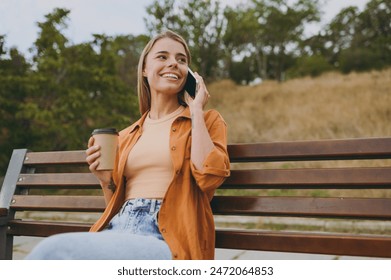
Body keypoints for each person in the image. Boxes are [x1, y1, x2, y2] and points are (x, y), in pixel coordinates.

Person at [25, 30, 230, 260]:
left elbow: (209, 178)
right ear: (144, 69)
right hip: (119, 227)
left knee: (54, 252)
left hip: (166, 239)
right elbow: (115, 205)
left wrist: (196, 111)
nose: (173, 63)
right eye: (162, 57)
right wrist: (106, 181)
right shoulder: (126, 136)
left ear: (189, 74)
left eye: (181, 60)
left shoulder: (206, 120)